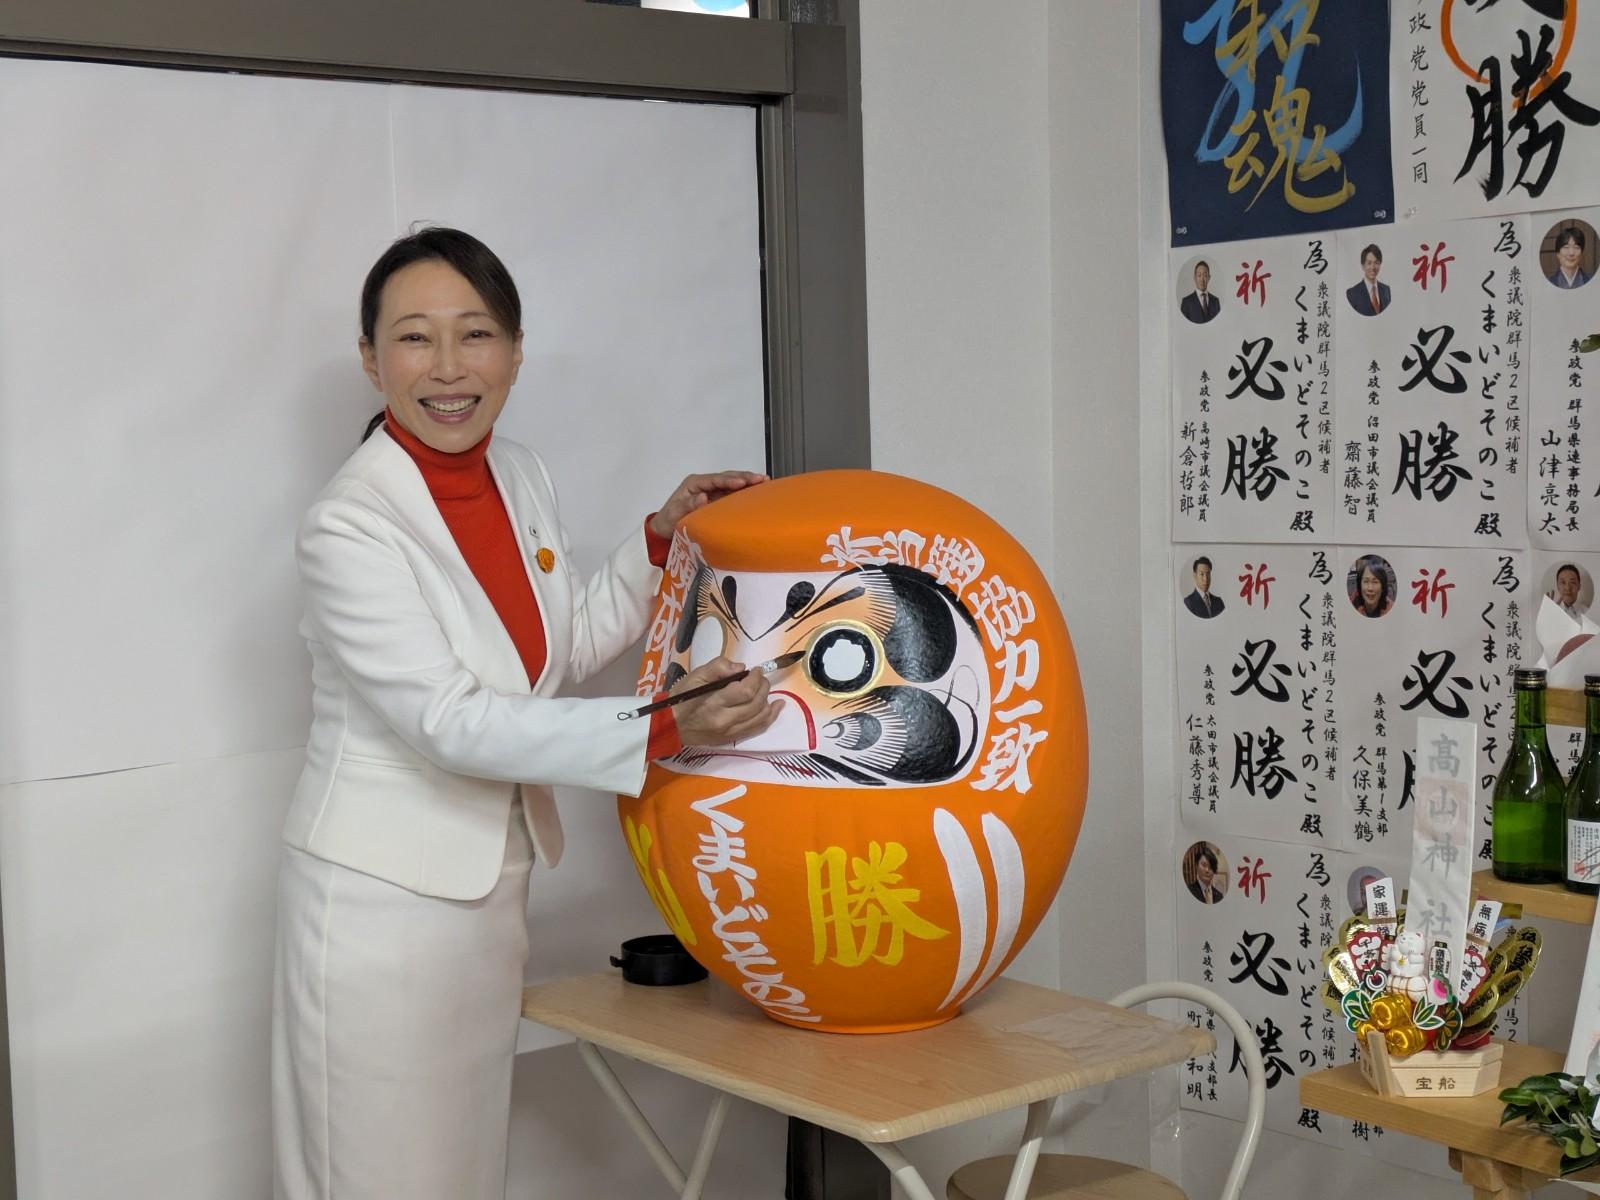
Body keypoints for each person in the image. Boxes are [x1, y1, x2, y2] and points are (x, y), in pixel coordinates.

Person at [271, 227, 781, 1200]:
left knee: (462, 1174)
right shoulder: (348, 525)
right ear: (371, 359)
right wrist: (667, 725)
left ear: (514, 352)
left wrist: (657, 539)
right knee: (379, 1177)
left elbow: (553, 653)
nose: (448, 366)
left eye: (476, 334)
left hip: (487, 896)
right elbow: (451, 721)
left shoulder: (519, 474)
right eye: (414, 338)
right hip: (379, 911)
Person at [1346, 244, 1390, 316]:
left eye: (1376, 263)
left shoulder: (1386, 290)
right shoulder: (1352, 293)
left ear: (1380, 265)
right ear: (1363, 266)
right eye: (1369, 263)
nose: (1373, 267)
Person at [1180, 260, 1220, 324]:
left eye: (1205, 275)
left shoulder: (1215, 301)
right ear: (1194, 278)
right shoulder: (1186, 302)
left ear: (1209, 278)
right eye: (1199, 275)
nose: (1202, 279)